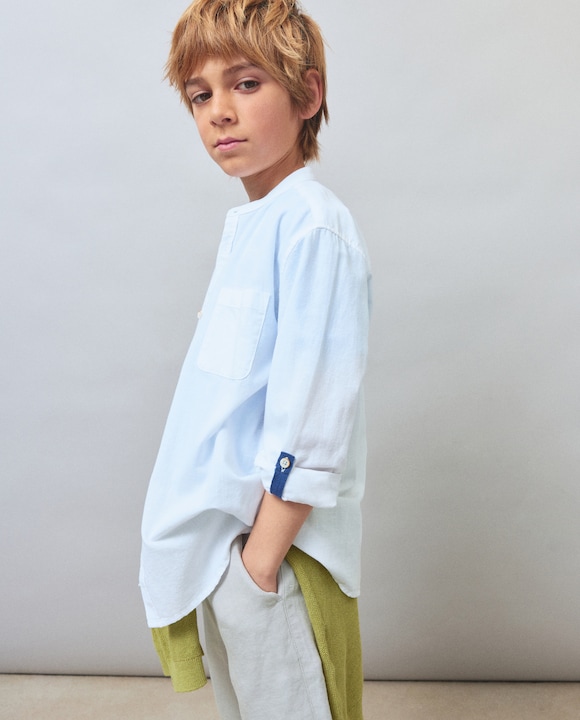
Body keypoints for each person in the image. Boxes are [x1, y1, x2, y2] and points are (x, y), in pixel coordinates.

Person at [139, 1, 371, 718]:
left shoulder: (313, 227)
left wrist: (260, 567)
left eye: (245, 83)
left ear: (307, 95)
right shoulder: (254, 226)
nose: (219, 112)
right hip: (232, 553)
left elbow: (315, 416)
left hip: (279, 557)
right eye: (199, 95)